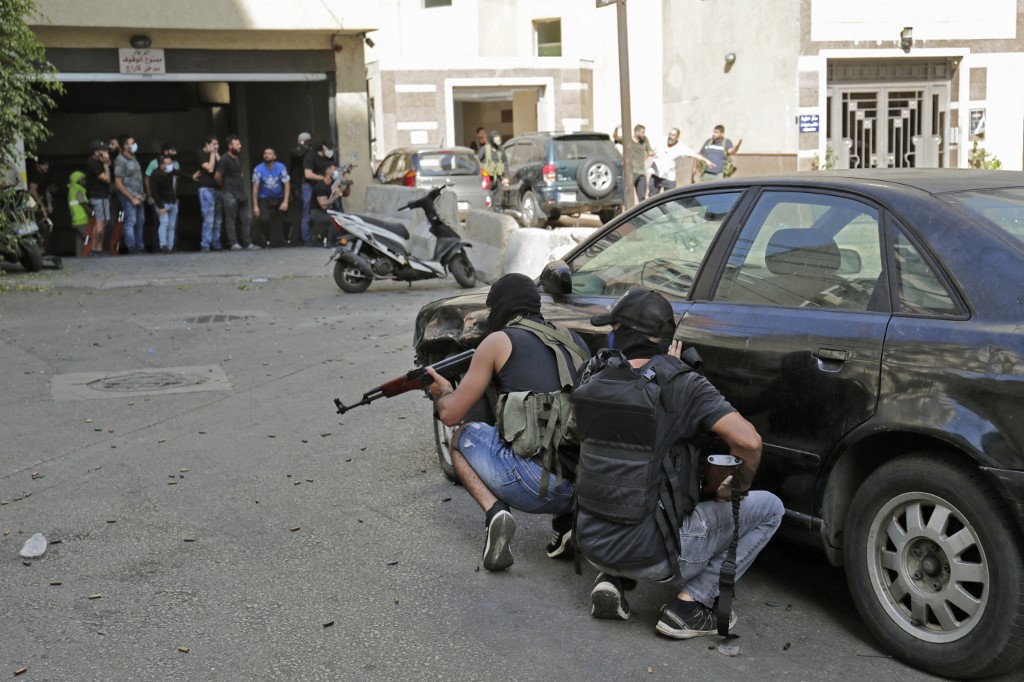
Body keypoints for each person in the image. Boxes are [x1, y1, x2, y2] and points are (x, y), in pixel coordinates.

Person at [573, 288, 783, 639]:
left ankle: (612, 577)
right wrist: (739, 485)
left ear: (624, 331)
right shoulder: (683, 384)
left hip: (591, 544)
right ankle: (690, 607)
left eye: (614, 327)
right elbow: (749, 442)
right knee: (770, 508)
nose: (611, 333)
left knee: (625, 475)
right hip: (651, 558)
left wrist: (663, 370)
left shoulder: (591, 374)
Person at [426, 274, 591, 571]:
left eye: (491, 309)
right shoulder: (572, 338)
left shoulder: (498, 341)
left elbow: (451, 414)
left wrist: (443, 393)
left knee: (462, 437)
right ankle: (565, 527)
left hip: (532, 487)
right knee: (558, 423)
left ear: (501, 306)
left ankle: (496, 514)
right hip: (585, 487)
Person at [216, 134, 259, 251]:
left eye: (240, 144)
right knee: (231, 218)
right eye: (237, 144)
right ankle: (233, 243)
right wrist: (224, 187)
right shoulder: (224, 159)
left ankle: (247, 243)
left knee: (247, 218)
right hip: (229, 192)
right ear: (230, 146)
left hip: (240, 192)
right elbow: (217, 176)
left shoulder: (238, 159)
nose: (240, 146)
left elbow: (240, 174)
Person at [648, 128, 713, 196]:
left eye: (673, 135)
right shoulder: (662, 140)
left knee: (670, 198)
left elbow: (694, 154)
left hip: (669, 179)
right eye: (670, 134)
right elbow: (650, 149)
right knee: (652, 196)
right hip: (655, 176)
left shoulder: (681, 147)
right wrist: (650, 153)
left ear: (677, 137)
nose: (670, 136)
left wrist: (707, 161)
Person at [150, 153, 192, 252]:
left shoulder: (170, 170)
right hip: (162, 203)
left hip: (172, 202)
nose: (170, 165)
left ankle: (170, 246)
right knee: (164, 223)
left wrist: (191, 177)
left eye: (170, 163)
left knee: (172, 226)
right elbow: (154, 193)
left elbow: (180, 173)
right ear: (161, 165)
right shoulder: (155, 175)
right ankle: (163, 245)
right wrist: (160, 206)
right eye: (168, 163)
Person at [251, 147, 291, 247]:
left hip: (279, 196)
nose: (267, 155)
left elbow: (286, 184)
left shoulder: (281, 167)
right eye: (265, 153)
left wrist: (285, 201)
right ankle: (267, 240)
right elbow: (255, 188)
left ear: (274, 156)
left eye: (269, 153)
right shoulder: (258, 169)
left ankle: (286, 239)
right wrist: (255, 206)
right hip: (265, 197)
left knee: (287, 220)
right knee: (264, 219)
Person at [114, 134, 147, 253]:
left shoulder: (133, 157)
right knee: (131, 221)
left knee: (140, 221)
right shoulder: (120, 160)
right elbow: (118, 183)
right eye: (132, 143)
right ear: (125, 146)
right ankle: (132, 247)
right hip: (128, 196)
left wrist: (141, 195)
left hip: (139, 196)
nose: (134, 145)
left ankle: (140, 247)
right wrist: (131, 198)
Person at [301, 138, 337, 246]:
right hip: (309, 185)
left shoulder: (328, 158)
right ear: (323, 147)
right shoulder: (311, 156)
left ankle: (328, 236)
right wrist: (323, 178)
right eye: (329, 148)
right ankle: (306, 239)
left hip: (321, 186)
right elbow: (308, 174)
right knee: (307, 211)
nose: (331, 151)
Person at [144, 142, 179, 249]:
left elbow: (174, 182)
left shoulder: (176, 164)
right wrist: (149, 196)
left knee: (171, 225)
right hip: (160, 199)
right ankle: (159, 247)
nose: (175, 152)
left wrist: (175, 197)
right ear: (165, 151)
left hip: (171, 199)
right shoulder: (154, 164)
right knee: (160, 223)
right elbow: (147, 179)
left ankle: (171, 247)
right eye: (172, 150)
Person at [83, 140, 111, 256]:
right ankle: (98, 249)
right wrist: (105, 164)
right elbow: (107, 178)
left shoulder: (96, 161)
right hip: (100, 196)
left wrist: (105, 161)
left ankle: (95, 248)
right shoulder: (93, 163)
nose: (106, 152)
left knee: (99, 222)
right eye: (103, 150)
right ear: (96, 152)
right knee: (101, 223)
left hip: (98, 196)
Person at [196, 135, 223, 251]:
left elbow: (222, 166)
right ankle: (205, 244)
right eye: (213, 144)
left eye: (217, 144)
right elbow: (210, 169)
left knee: (218, 219)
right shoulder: (200, 153)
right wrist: (212, 154)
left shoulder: (216, 154)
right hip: (206, 189)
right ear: (207, 144)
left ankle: (216, 243)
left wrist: (216, 153)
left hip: (217, 189)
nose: (216, 146)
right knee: (209, 219)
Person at [288, 132, 313, 245]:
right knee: (303, 212)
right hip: (299, 185)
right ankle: (301, 238)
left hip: (304, 183)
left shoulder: (308, 152)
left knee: (307, 212)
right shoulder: (296, 152)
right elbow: (299, 154)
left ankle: (304, 237)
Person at [478, 131, 507, 206]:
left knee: (498, 200)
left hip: (498, 178)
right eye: (495, 137)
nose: (498, 139)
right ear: (491, 139)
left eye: (498, 137)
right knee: (488, 200)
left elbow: (505, 163)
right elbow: (478, 161)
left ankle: (497, 210)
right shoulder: (484, 149)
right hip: (487, 178)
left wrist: (506, 177)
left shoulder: (501, 150)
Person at [66, 170, 91, 257]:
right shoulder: (78, 190)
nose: (85, 181)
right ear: (77, 181)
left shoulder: (71, 190)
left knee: (79, 241)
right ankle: (90, 257)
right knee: (88, 238)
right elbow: (83, 203)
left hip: (75, 220)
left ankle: (79, 258)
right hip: (81, 220)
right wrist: (92, 212)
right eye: (82, 179)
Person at [630, 124, 654, 203]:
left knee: (642, 197)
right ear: (636, 132)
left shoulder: (645, 140)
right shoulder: (628, 140)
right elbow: (616, 137)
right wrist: (617, 129)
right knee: (628, 196)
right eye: (642, 132)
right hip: (631, 172)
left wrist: (651, 154)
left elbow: (649, 151)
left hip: (642, 172)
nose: (644, 134)